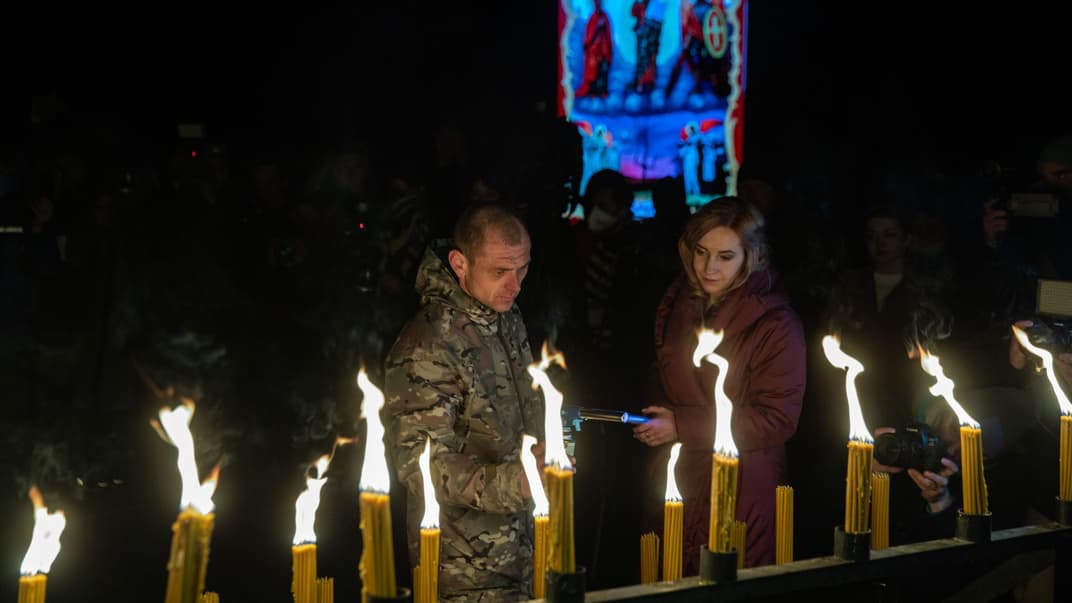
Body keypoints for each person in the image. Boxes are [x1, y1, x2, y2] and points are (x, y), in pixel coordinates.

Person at [384, 203, 545, 601]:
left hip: (525, 544)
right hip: (464, 566)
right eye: (499, 271)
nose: (515, 285)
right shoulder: (428, 344)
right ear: (459, 263)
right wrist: (517, 482)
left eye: (522, 269)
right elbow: (419, 464)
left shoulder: (503, 315)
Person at [633, 197, 806, 569]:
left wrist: (681, 425)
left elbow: (777, 418)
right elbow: (660, 372)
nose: (708, 267)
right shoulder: (679, 300)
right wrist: (655, 417)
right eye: (701, 252)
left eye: (725, 257)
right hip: (679, 474)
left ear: (750, 256)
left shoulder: (775, 325)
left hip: (743, 487)